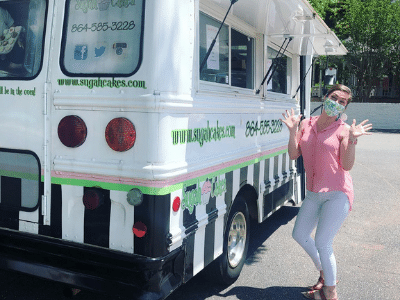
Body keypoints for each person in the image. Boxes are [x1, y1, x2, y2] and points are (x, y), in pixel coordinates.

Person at [281, 84, 372, 300]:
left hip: (337, 193)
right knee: (299, 234)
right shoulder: (306, 123)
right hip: (313, 193)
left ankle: (330, 292)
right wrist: (293, 130)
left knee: (323, 241)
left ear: (345, 107)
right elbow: (294, 154)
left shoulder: (343, 130)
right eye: (334, 97)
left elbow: (347, 165)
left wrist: (353, 140)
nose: (337, 103)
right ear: (325, 97)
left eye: (342, 102)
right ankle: (325, 272)